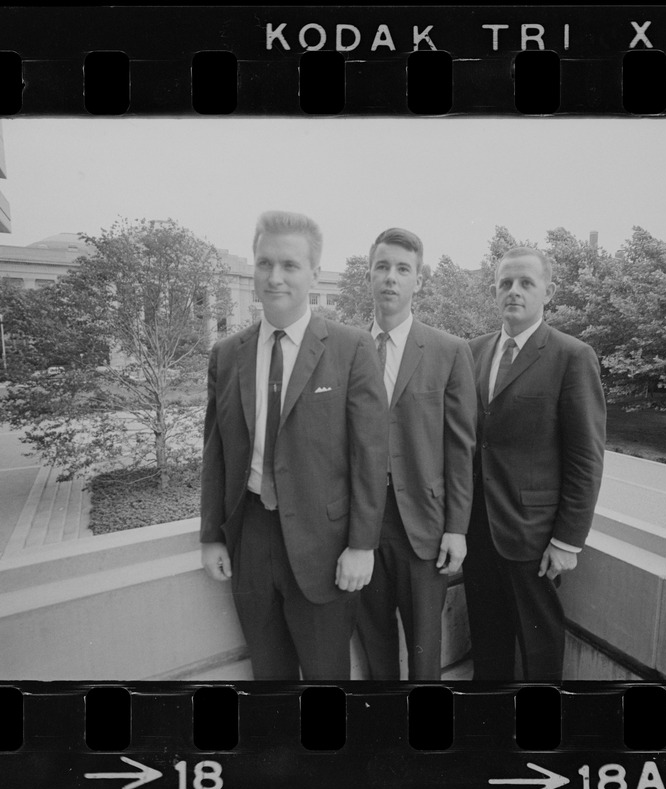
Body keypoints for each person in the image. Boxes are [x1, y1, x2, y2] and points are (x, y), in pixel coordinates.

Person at [200, 210, 389, 681]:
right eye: (265, 264)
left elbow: (371, 455)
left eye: (289, 265)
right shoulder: (227, 355)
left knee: (327, 678)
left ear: (313, 274)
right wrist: (211, 536)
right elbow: (216, 453)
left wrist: (362, 545)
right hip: (250, 539)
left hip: (324, 548)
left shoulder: (352, 348)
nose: (275, 277)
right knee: (270, 677)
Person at [465, 246, 606, 681]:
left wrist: (567, 541)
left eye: (526, 282)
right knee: (487, 650)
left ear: (548, 291)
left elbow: (586, 458)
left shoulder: (572, 356)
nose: (514, 291)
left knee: (540, 652)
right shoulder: (473, 352)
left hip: (534, 538)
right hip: (477, 532)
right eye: (505, 283)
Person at [355, 228, 477, 680]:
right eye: (382, 267)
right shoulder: (344, 349)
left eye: (402, 269)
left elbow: (461, 449)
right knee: (376, 649)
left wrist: (457, 529)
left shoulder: (449, 351)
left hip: (423, 529)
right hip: (361, 528)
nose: (391, 278)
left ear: (417, 281)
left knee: (426, 656)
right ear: (369, 275)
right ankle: (384, 738)